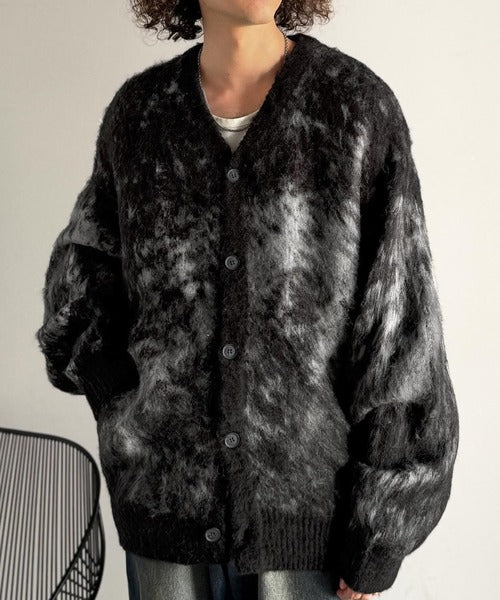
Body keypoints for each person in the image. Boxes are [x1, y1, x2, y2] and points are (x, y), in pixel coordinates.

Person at [35, 1, 459, 599]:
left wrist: (379, 532)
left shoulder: (354, 110)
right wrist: (123, 405)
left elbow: (402, 333)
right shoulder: (140, 117)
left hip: (307, 531)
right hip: (162, 520)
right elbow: (77, 293)